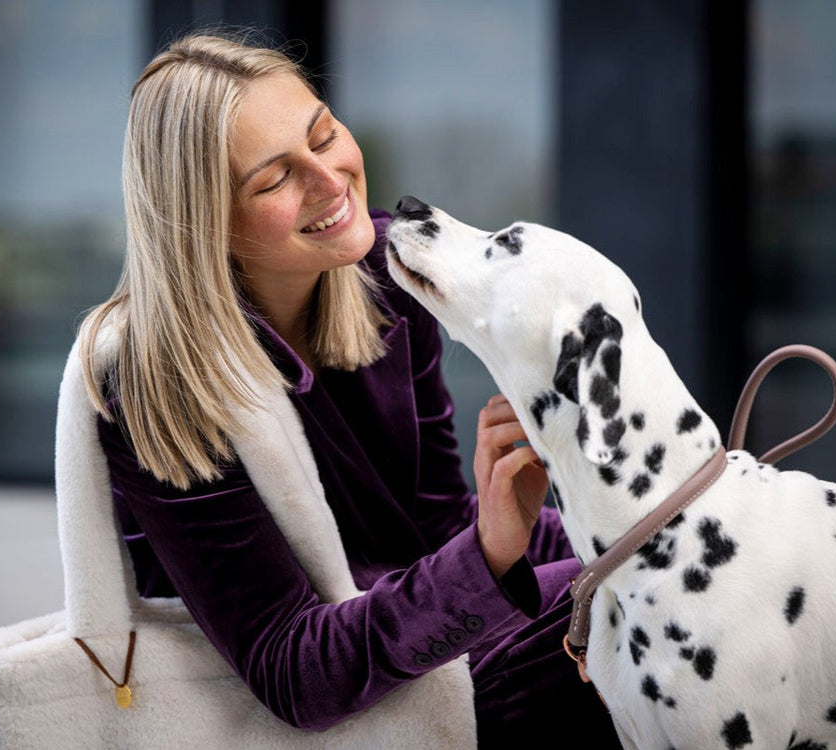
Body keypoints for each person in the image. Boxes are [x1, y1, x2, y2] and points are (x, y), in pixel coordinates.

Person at [73, 29, 617, 745]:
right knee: (623, 610)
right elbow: (291, 667)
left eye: (324, 136)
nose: (330, 181)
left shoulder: (388, 286)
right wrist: (490, 553)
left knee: (666, 574)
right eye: (273, 179)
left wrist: (654, 513)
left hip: (419, 652)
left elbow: (432, 528)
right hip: (316, 709)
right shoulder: (154, 378)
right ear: (207, 223)